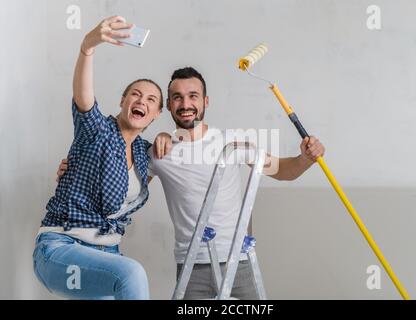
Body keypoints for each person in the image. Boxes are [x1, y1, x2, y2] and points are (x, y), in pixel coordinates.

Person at [58, 67, 325, 300]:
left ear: (205, 101)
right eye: (177, 97)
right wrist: (77, 170)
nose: (186, 103)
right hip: (191, 265)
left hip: (239, 260)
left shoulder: (232, 141)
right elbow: (122, 186)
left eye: (193, 96)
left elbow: (283, 171)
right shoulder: (158, 152)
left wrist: (306, 158)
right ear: (169, 107)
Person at [33, 16, 163, 300]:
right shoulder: (97, 130)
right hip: (60, 249)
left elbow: (184, 150)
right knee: (132, 273)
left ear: (156, 115)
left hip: (105, 256)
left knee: (125, 274)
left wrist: (170, 137)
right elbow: (84, 98)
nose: (142, 101)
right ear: (122, 101)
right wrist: (87, 47)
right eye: (135, 95)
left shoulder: (145, 153)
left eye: (151, 100)